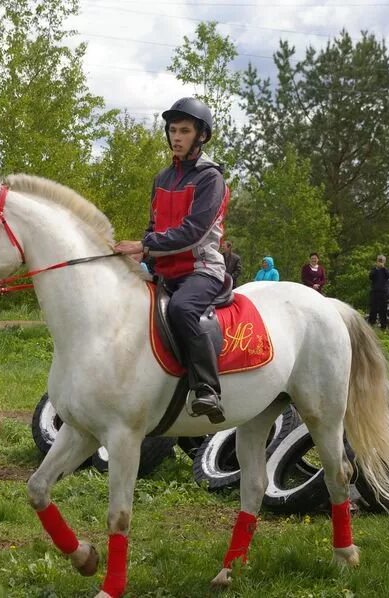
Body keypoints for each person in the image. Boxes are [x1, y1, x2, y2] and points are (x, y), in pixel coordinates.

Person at [114, 97, 229, 423]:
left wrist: (145, 245)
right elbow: (154, 227)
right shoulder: (162, 178)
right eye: (172, 130)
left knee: (181, 309)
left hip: (200, 269)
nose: (176, 137)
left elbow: (193, 232)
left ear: (201, 136)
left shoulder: (211, 179)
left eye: (184, 131)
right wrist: (136, 253)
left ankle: (208, 389)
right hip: (164, 269)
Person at [368, 254, 389, 330]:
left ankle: (383, 326)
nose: (380, 262)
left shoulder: (386, 270)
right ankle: (371, 324)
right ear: (377, 261)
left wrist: (383, 268)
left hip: (383, 293)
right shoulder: (374, 270)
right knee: (373, 309)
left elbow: (388, 275)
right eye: (379, 261)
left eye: (382, 261)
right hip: (375, 292)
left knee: (383, 310)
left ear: (384, 262)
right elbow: (370, 276)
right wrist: (376, 268)